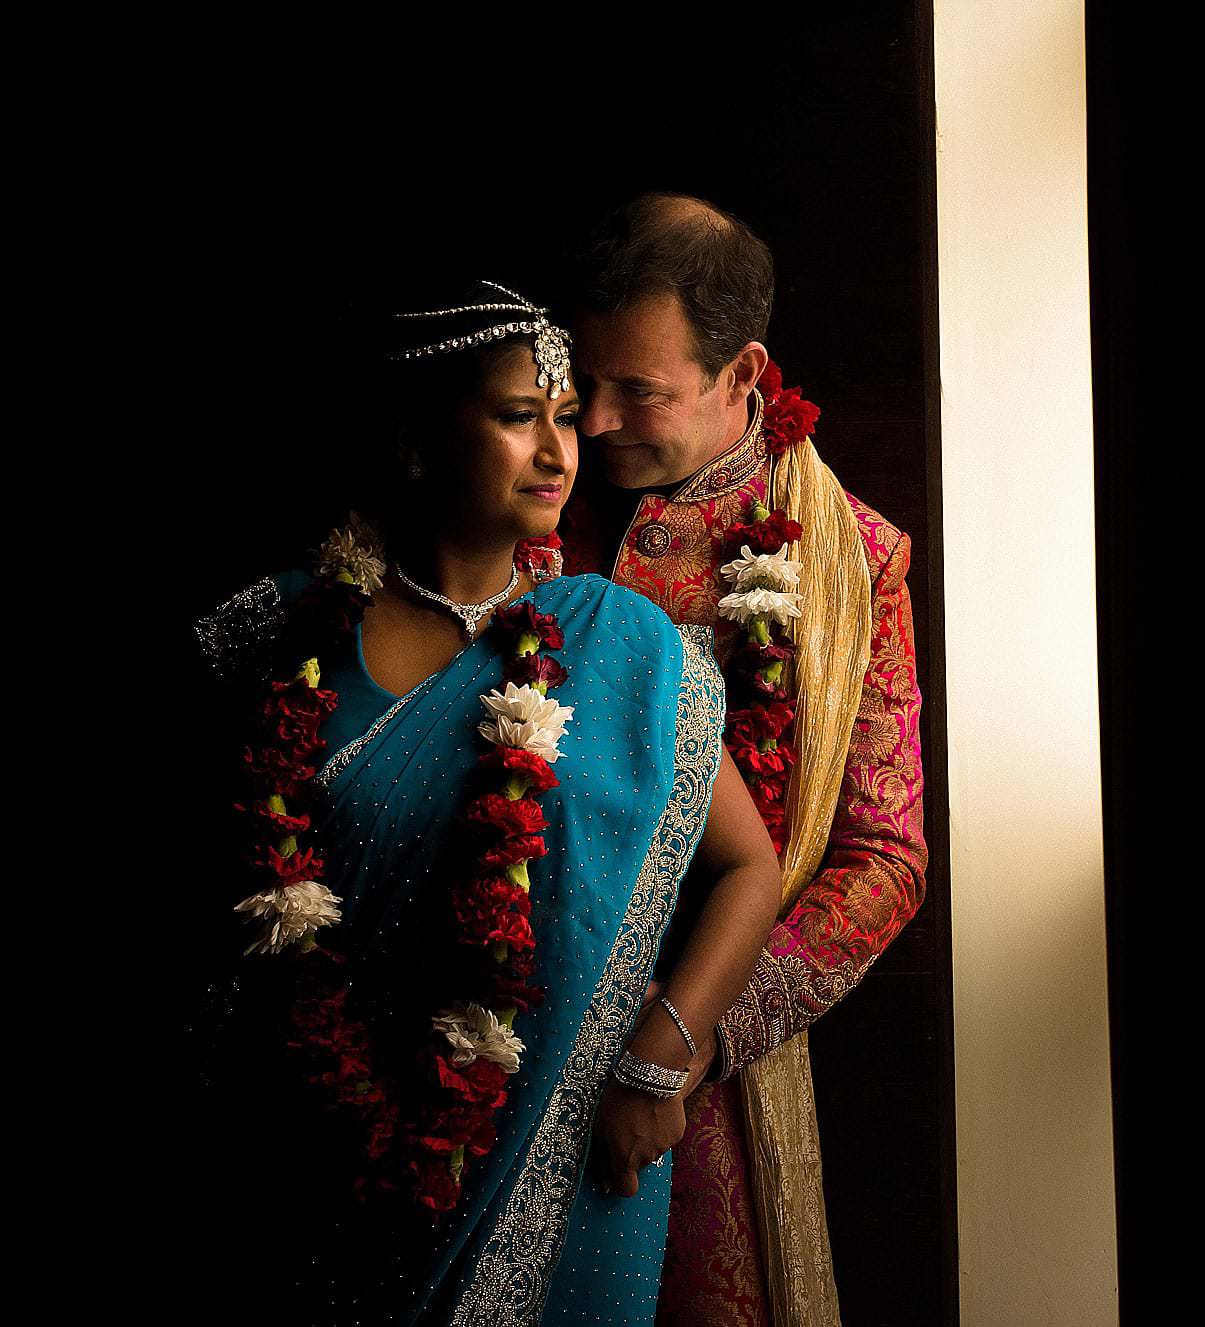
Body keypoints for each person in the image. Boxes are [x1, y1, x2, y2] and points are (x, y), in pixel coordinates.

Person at [188, 282, 783, 1326]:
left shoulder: (617, 645)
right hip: (309, 1158)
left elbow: (750, 868)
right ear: (416, 441)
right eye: (520, 418)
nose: (561, 452)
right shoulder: (273, 638)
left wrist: (657, 1061)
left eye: (565, 418)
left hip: (562, 1159)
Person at [556, 194, 928, 1326]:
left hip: (691, 1076)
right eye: (587, 380)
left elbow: (882, 859)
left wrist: (689, 1036)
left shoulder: (848, 561)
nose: (600, 419)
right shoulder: (530, 483)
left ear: (744, 373)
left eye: (643, 392)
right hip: (492, 1012)